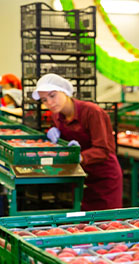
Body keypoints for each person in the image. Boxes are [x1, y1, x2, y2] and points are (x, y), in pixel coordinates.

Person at [32, 73, 123, 211]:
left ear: (64, 91)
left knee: (106, 222)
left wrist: (80, 156)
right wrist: (57, 138)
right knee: (84, 223)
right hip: (80, 175)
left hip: (104, 178)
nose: (49, 103)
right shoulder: (57, 115)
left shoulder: (92, 112)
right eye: (44, 100)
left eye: (52, 95)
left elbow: (104, 150)